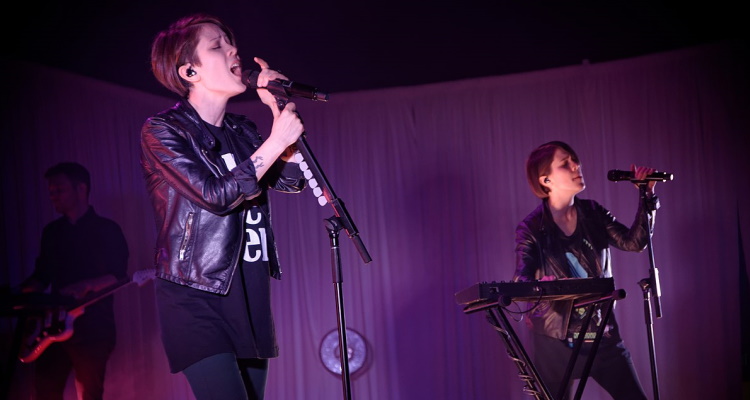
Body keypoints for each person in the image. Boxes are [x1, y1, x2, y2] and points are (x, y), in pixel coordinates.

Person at [140, 13, 306, 400]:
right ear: (189, 71)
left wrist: (276, 111)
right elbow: (214, 195)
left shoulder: (243, 130)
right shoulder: (164, 131)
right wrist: (276, 142)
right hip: (196, 294)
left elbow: (292, 180)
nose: (233, 49)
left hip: (249, 290)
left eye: (230, 42)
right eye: (217, 46)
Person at [514, 141, 657, 400]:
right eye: (565, 163)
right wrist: (540, 286)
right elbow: (520, 278)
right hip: (555, 342)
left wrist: (646, 196)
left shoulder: (593, 213)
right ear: (546, 180)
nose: (576, 165)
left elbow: (634, 243)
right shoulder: (531, 228)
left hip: (599, 333)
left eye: (574, 160)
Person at [18, 161, 129, 400]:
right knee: (45, 389)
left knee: (89, 393)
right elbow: (42, 276)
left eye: (59, 190)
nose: (53, 196)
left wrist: (87, 285)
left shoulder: (107, 230)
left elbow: (118, 275)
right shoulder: (52, 232)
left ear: (81, 189)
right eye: (51, 192)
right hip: (53, 327)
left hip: (94, 328)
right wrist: (19, 294)